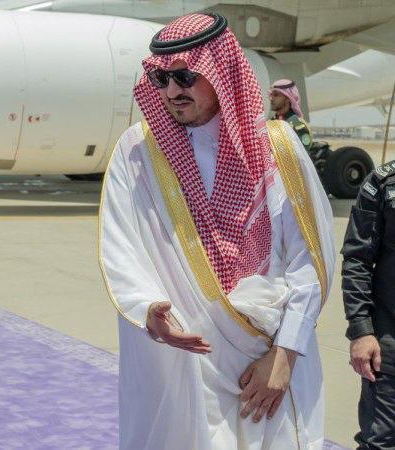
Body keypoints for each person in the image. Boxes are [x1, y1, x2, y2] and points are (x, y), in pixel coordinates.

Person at [98, 13, 336, 449]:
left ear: (221, 71)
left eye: (186, 77)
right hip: (183, 362)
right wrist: (147, 309)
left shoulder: (279, 147)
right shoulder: (137, 153)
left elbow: (309, 258)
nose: (173, 91)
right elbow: (121, 245)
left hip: (269, 361)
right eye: (162, 79)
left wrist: (285, 355)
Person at [342, 160, 395, 449]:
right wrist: (361, 330)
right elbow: (357, 260)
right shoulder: (383, 183)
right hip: (389, 349)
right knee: (380, 443)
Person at [269, 79, 313, 151]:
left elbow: (303, 154)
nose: (271, 98)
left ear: (288, 98)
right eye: (271, 95)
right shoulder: (269, 123)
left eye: (276, 95)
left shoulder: (298, 125)